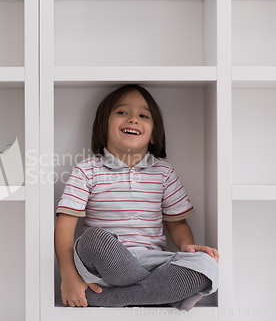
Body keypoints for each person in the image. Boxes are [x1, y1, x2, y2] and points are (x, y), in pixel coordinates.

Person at [54, 84, 219, 311]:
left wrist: (188, 246)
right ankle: (163, 294)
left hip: (152, 264)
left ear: (153, 135)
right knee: (93, 239)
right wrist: (68, 276)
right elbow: (65, 225)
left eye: (143, 115)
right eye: (122, 112)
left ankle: (112, 298)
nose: (133, 119)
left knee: (207, 264)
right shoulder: (88, 169)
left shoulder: (164, 172)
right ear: (104, 125)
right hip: (102, 266)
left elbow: (178, 223)